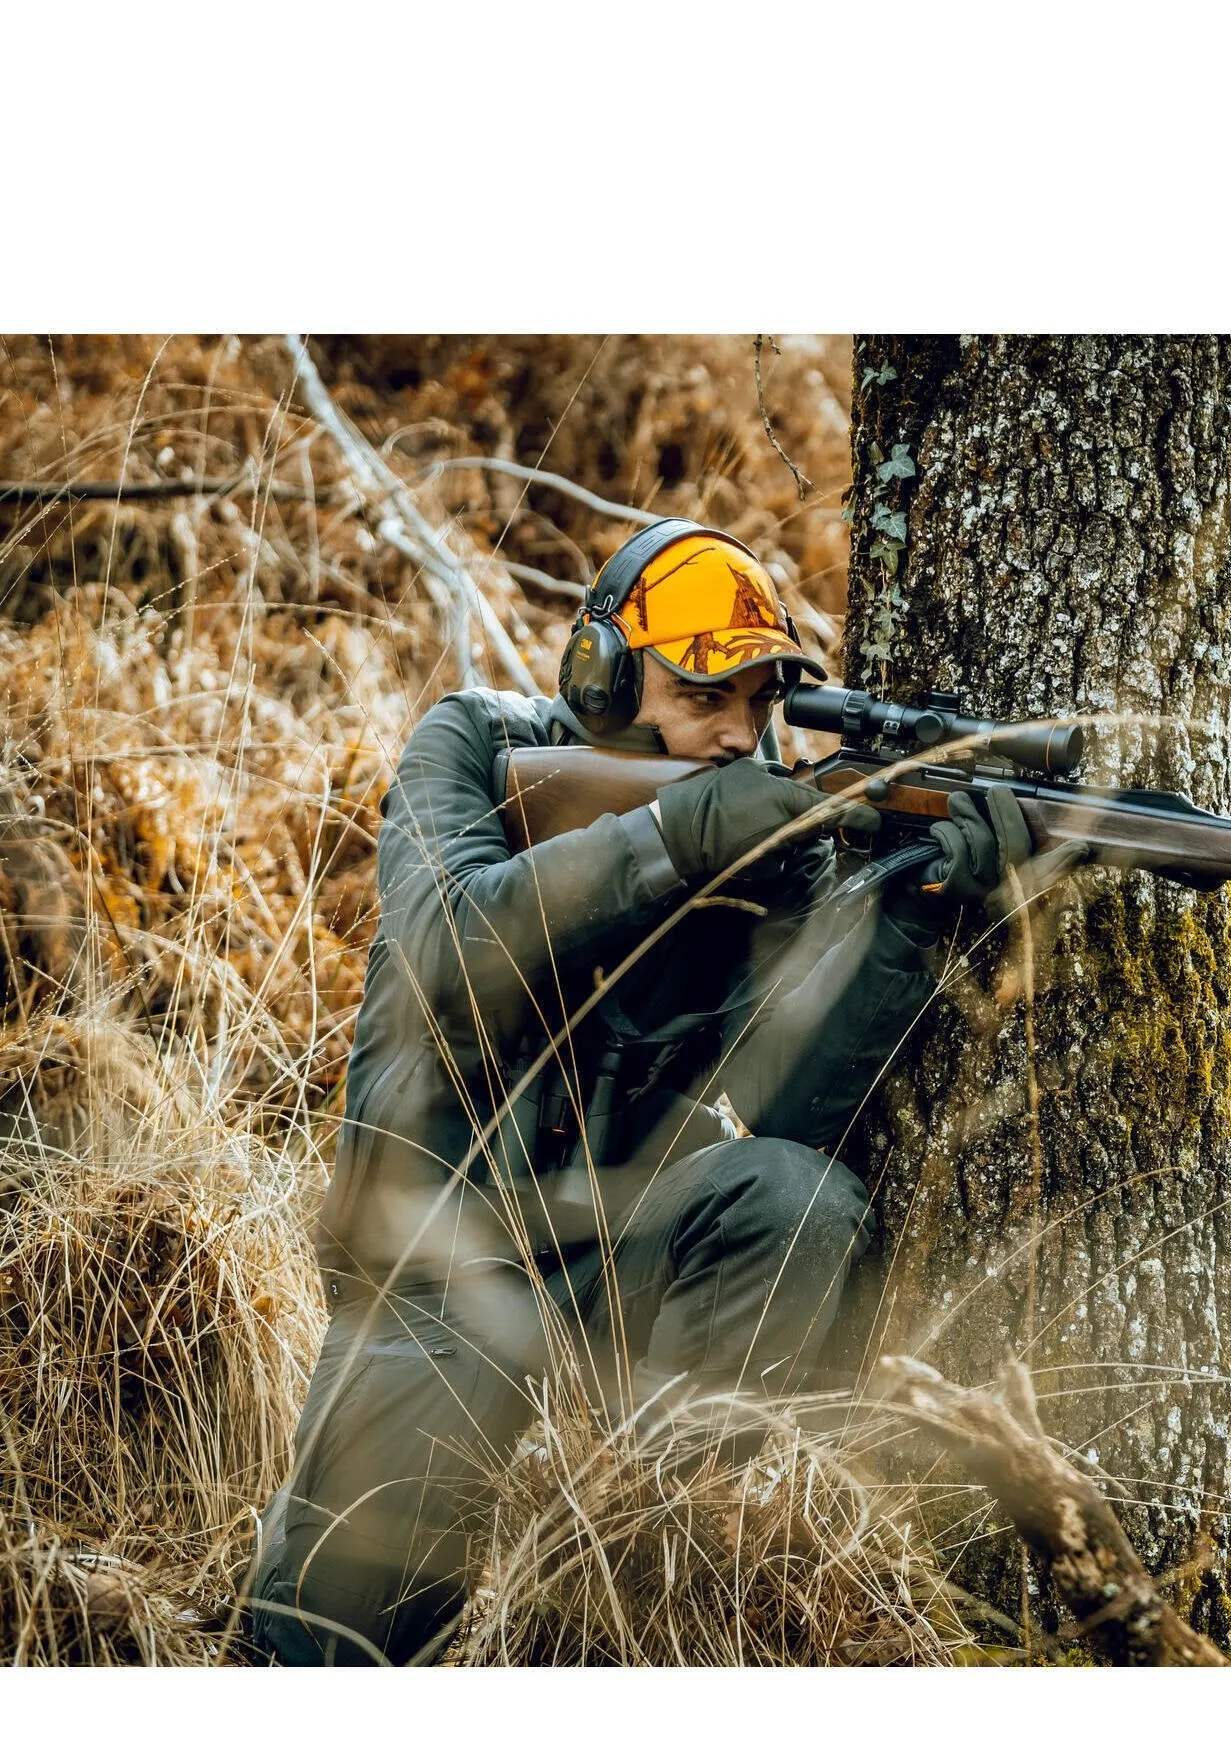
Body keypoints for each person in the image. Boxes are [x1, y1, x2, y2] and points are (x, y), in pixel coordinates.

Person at [249, 519, 1027, 1666]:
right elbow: (451, 954)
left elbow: (792, 1120)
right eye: (701, 692)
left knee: (792, 1198)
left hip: (619, 1267)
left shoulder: (771, 837)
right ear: (601, 678)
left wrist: (910, 921)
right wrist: (672, 835)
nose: (735, 734)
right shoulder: (471, 746)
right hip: (434, 1272)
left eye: (760, 701)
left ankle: (643, 1568)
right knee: (319, 1654)